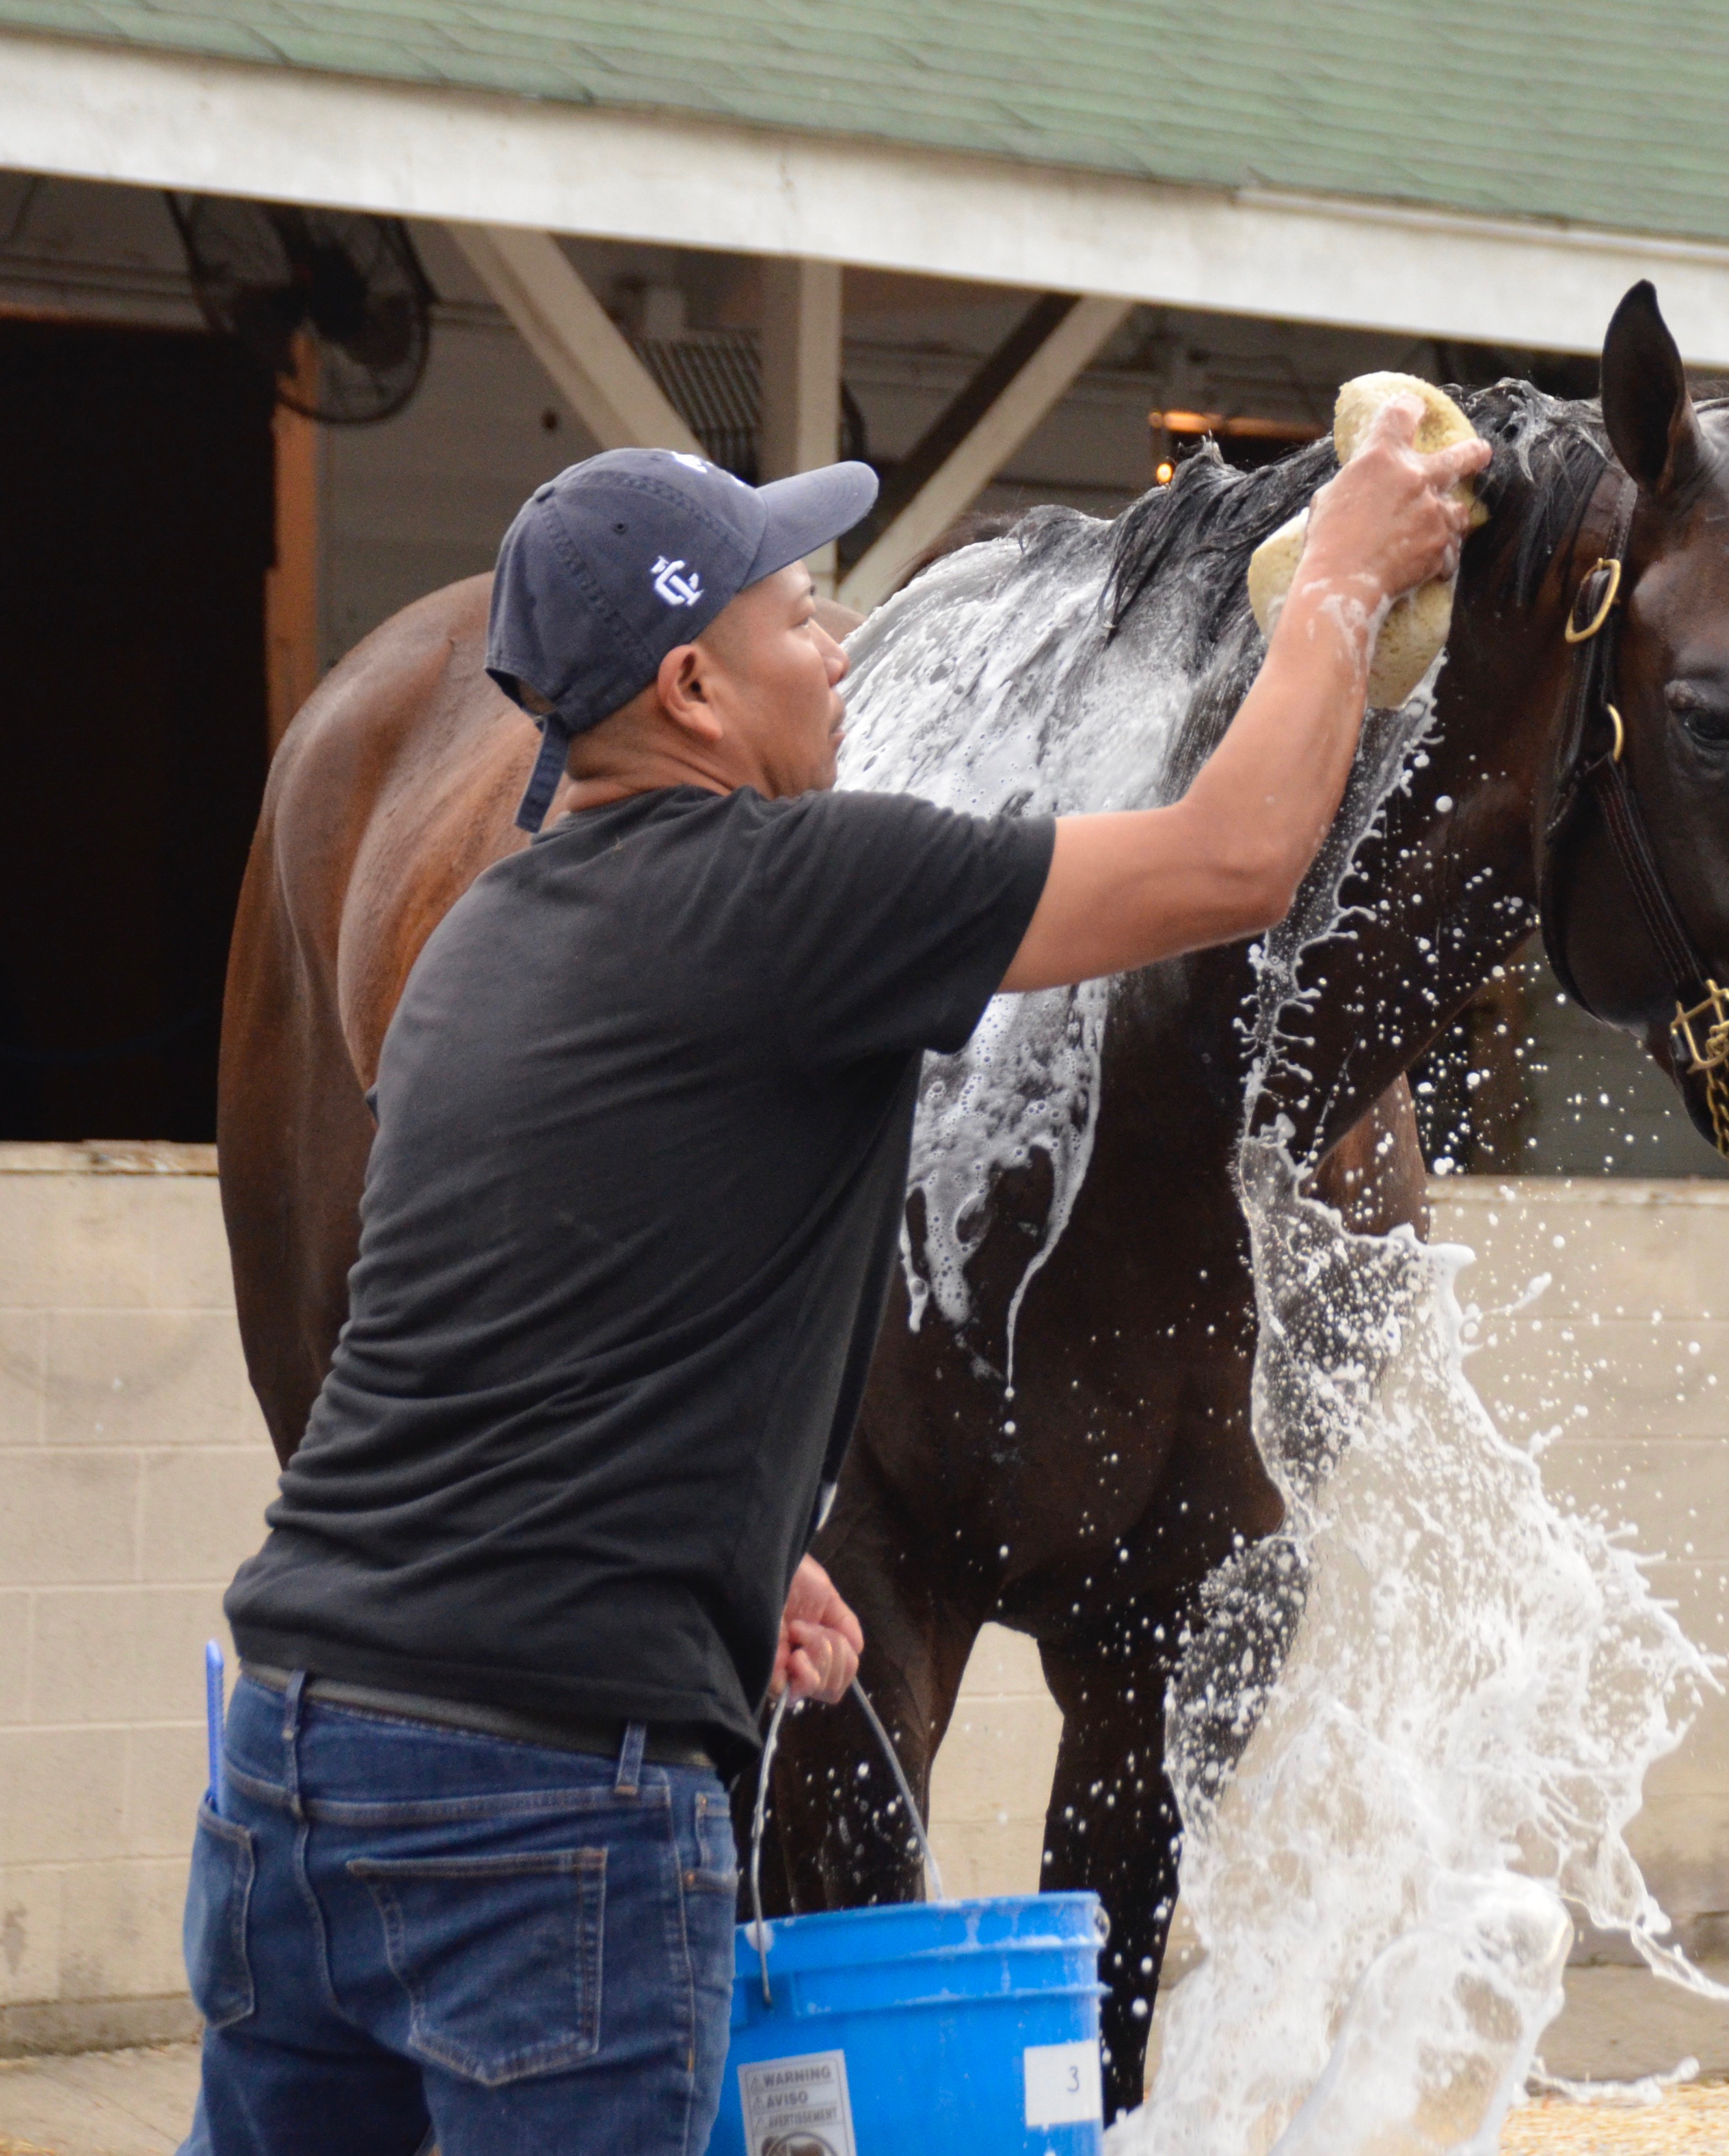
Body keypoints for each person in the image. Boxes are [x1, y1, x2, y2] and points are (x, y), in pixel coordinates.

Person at [180, 404, 1488, 2155]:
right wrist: (1337, 576)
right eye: (797, 613)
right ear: (692, 693)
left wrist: (739, 1539)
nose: (843, 644)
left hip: (289, 1761)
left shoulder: (497, 932)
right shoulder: (797, 892)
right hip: (553, 1798)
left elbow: (498, 1327)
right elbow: (1230, 860)